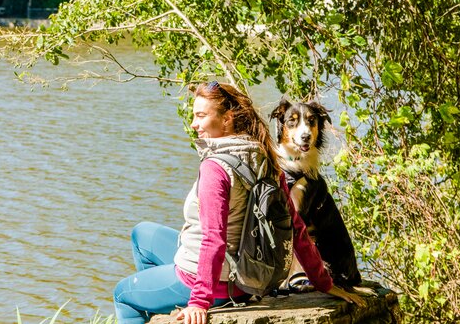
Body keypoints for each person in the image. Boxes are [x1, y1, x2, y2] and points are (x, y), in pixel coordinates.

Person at [113, 81, 365, 324]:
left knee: (123, 295)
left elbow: (214, 239)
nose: (193, 124)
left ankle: (171, 297)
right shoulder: (265, 158)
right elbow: (295, 227)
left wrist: (199, 300)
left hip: (218, 283)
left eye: (201, 116)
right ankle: (164, 302)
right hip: (248, 277)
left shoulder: (216, 168)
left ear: (226, 119)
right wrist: (323, 282)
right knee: (141, 234)